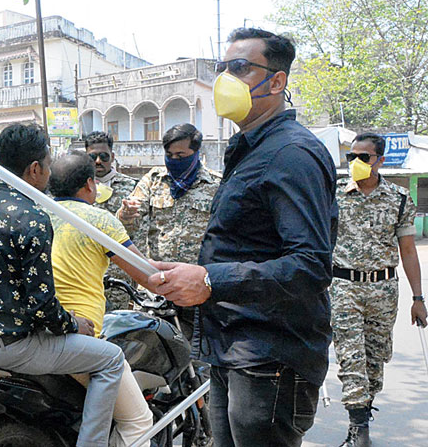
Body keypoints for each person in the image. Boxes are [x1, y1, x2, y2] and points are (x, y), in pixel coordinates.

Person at [145, 28, 338, 447]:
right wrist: (187, 275)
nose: (225, 80)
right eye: (222, 68)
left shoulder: (291, 154)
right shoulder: (251, 149)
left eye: (240, 68)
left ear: (277, 81)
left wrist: (212, 280)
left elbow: (309, 264)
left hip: (271, 355)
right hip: (234, 347)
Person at [0, 123, 125, 447]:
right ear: (35, 169)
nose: (50, 173)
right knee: (110, 359)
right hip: (11, 349)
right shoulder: (31, 216)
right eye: (49, 165)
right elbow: (42, 307)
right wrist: (75, 324)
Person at [47, 152, 154, 447]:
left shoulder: (37, 213)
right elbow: (147, 275)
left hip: (38, 336)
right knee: (138, 421)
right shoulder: (99, 220)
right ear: (90, 185)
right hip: (80, 338)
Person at [331, 133, 426, 447]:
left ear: (380, 160)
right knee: (350, 357)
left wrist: (418, 298)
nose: (356, 162)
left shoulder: (398, 198)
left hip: (383, 290)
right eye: (351, 157)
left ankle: (364, 412)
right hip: (344, 286)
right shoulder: (334, 195)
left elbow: (409, 251)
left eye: (364, 157)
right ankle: (358, 430)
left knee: (375, 360)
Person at [117, 124, 220, 339]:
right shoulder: (154, 180)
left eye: (181, 155)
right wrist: (126, 214)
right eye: (169, 154)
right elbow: (129, 222)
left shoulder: (215, 184)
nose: (174, 160)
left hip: (194, 286)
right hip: (158, 285)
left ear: (195, 153)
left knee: (197, 354)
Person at [84, 131, 139, 310]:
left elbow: (141, 232)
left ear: (112, 157)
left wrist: (127, 218)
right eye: (93, 156)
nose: (98, 161)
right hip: (86, 272)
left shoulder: (131, 186)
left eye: (104, 156)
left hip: (119, 276)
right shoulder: (76, 186)